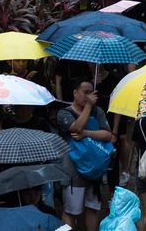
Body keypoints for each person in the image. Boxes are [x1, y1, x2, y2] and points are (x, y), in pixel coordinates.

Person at [59, 80, 115, 231]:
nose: (88, 96)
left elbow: (108, 135)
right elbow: (75, 127)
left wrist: (86, 134)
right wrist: (88, 106)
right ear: (75, 93)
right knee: (71, 210)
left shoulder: (98, 112)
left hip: (95, 169)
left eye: (91, 92)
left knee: (93, 208)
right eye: (85, 92)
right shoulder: (64, 113)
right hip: (73, 170)